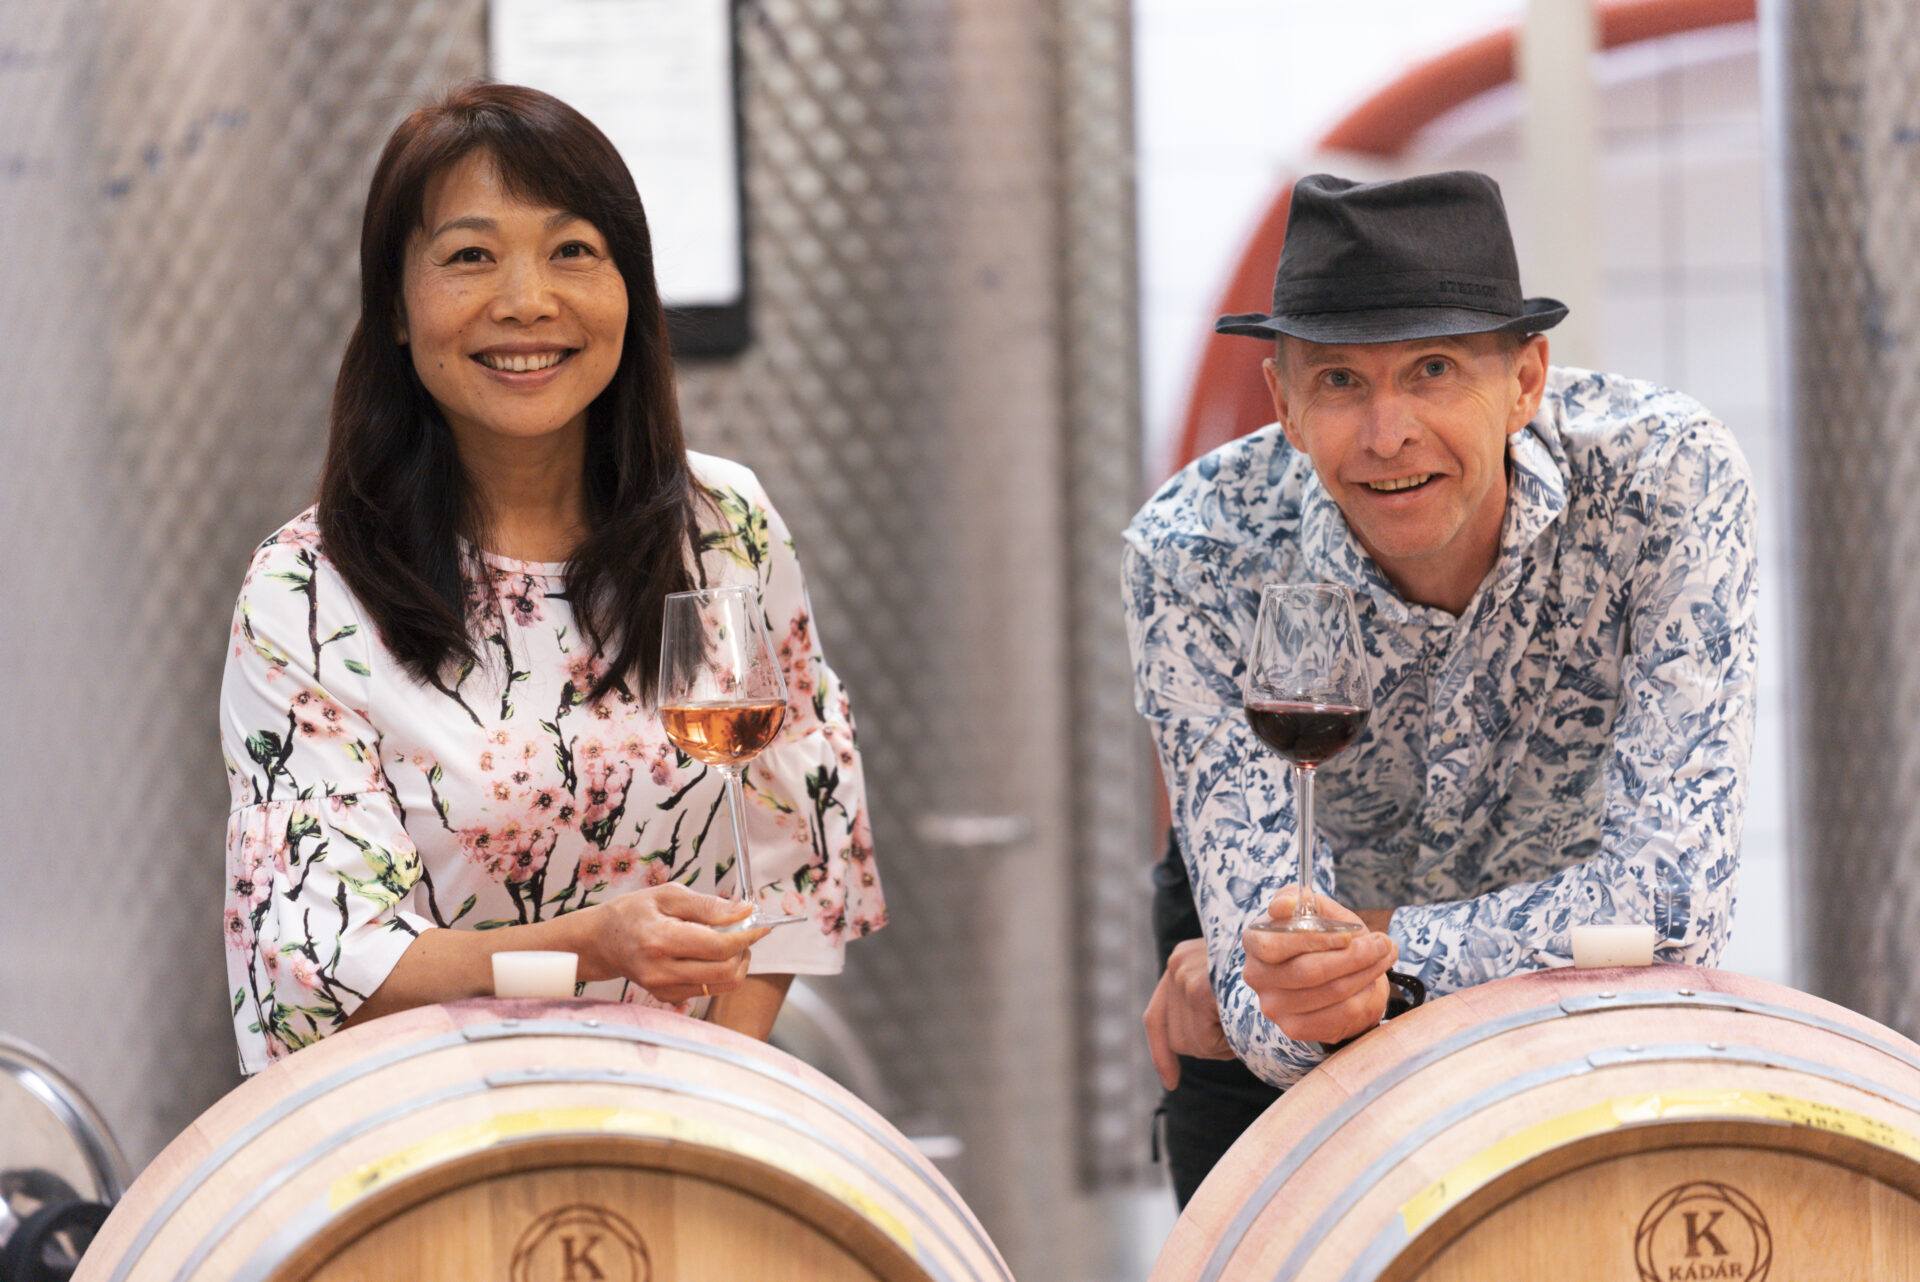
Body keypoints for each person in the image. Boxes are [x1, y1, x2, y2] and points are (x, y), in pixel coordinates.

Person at [219, 83, 886, 1075]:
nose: (528, 300)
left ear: (630, 289)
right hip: (422, 1126)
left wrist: (698, 1097)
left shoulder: (724, 526)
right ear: (396, 307)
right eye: (470, 256)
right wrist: (588, 949)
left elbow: (795, 845)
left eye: (573, 250)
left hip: (680, 1114)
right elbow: (320, 959)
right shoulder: (308, 592)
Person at [1125, 171, 1755, 1204]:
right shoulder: (1197, 549)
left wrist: (1372, 947)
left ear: (1526, 378)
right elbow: (1269, 1011)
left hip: (1561, 1022)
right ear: (1284, 403)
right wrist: (1280, 984)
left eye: (1433, 369)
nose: (1388, 433)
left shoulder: (1666, 481)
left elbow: (1672, 913)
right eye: (1339, 381)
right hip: (1349, 1021)